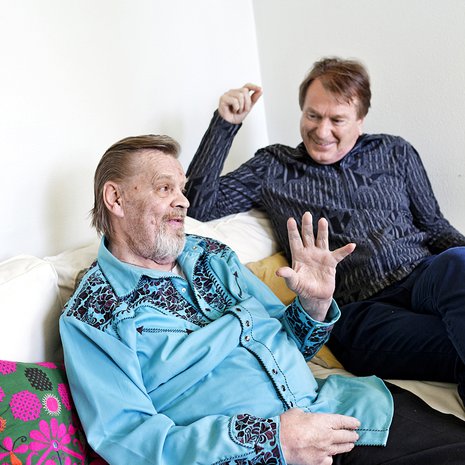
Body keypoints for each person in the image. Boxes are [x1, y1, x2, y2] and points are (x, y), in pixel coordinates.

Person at [59, 134, 465, 465]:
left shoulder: (213, 256)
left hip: (341, 412)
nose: (183, 201)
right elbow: (129, 441)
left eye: (181, 189)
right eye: (166, 188)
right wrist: (271, 441)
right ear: (116, 199)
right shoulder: (92, 315)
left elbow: (291, 342)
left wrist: (314, 305)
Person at [185, 56, 465, 405]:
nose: (321, 131)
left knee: (458, 260)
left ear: (360, 120)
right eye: (313, 116)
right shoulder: (273, 166)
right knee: (451, 341)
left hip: (424, 276)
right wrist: (225, 125)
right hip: (362, 312)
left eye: (337, 120)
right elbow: (199, 207)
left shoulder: (395, 152)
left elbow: (435, 227)